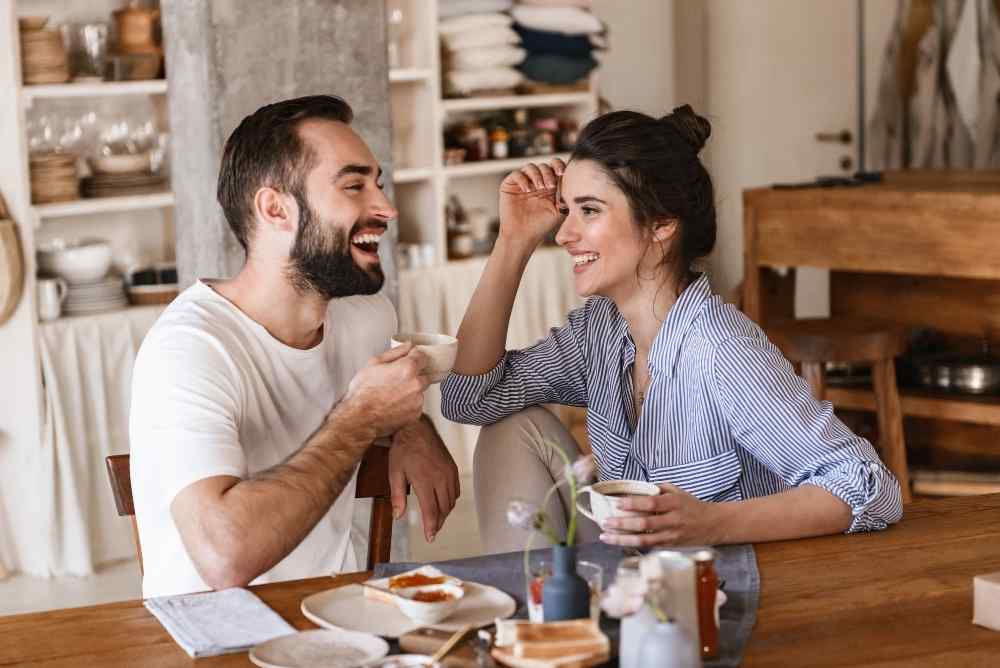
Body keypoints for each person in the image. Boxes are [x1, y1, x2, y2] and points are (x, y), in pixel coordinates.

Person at [440, 105, 902, 554]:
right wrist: (513, 241)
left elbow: (871, 488)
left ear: (661, 223)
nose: (563, 234)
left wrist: (710, 524)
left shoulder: (722, 350)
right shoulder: (598, 333)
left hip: (724, 591)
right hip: (635, 579)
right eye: (566, 210)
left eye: (590, 210)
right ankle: (542, 630)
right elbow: (468, 399)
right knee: (511, 426)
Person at [130, 95, 459, 598]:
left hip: (334, 619)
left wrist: (413, 428)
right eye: (354, 186)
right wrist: (363, 419)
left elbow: (385, 404)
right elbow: (224, 555)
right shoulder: (189, 349)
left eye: (378, 184)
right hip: (213, 638)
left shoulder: (369, 319)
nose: (386, 208)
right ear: (275, 208)